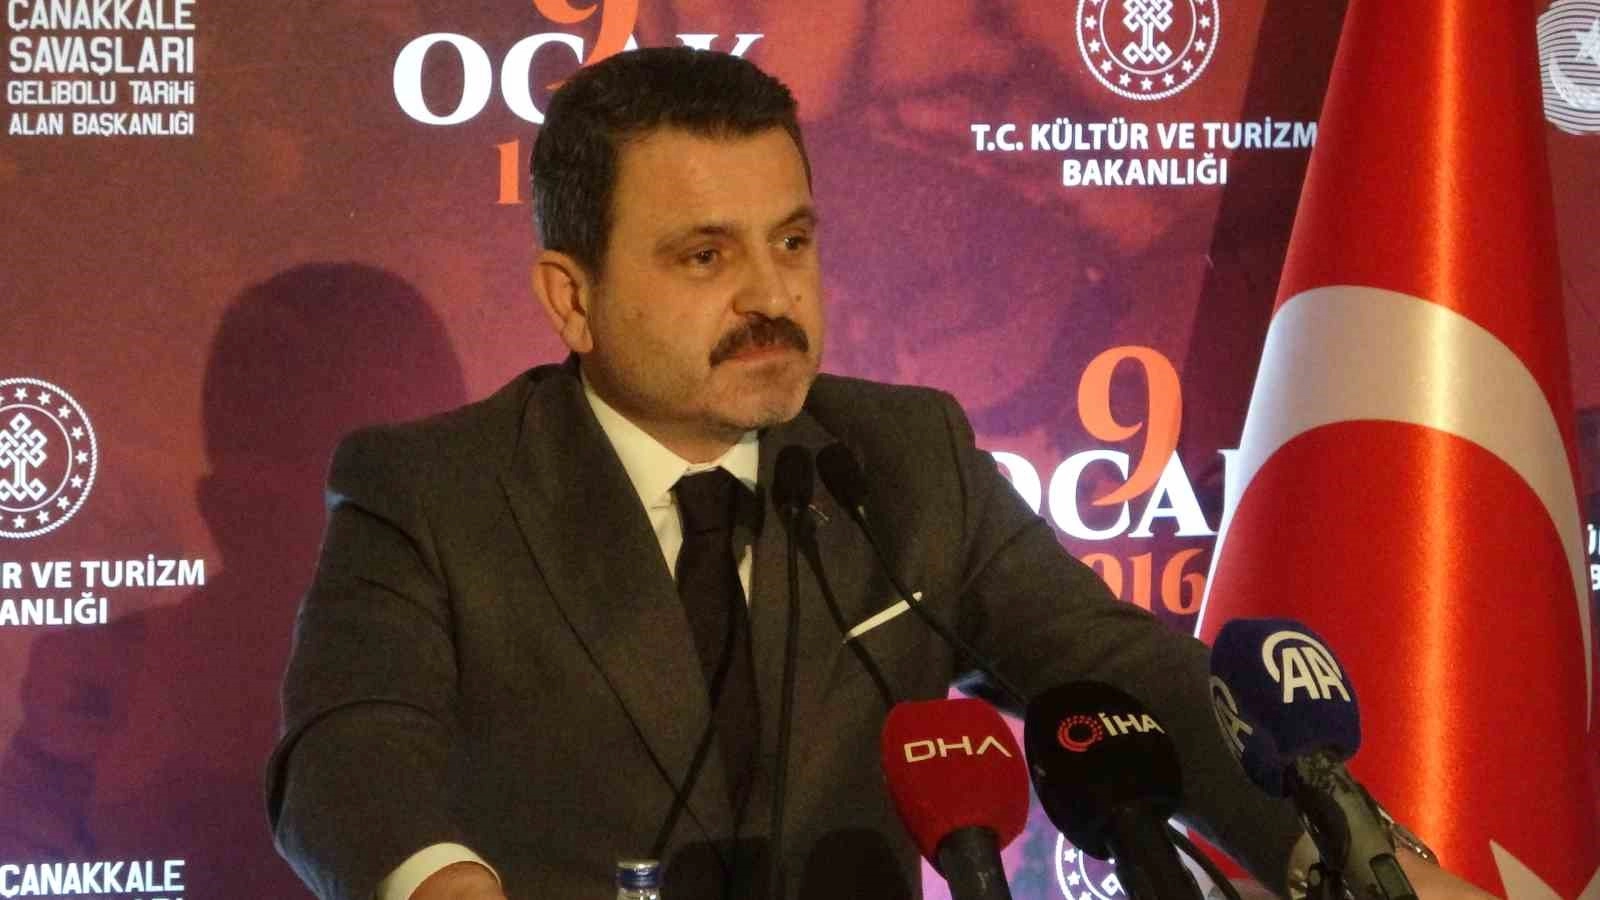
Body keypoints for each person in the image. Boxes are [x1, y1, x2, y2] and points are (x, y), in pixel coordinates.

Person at [266, 47, 1486, 900]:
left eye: (791, 241)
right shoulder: (431, 491)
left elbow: (1124, 673)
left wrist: (1348, 857)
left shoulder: (902, 458)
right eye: (704, 257)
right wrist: (442, 884)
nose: (770, 296)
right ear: (570, 298)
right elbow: (347, 750)